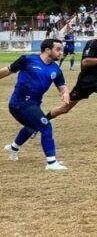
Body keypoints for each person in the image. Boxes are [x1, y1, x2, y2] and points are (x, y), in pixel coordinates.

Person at [46, 23, 97, 142]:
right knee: (65, 109)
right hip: (86, 82)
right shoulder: (92, 44)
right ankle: (40, 122)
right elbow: (86, 62)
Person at [2, 39, 70, 170]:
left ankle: (13, 148)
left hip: (34, 104)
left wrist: (65, 92)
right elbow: (8, 70)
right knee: (45, 125)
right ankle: (51, 163)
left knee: (33, 126)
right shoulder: (27, 59)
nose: (61, 53)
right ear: (47, 50)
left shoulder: (56, 69)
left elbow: (62, 86)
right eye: (58, 49)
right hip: (19, 103)